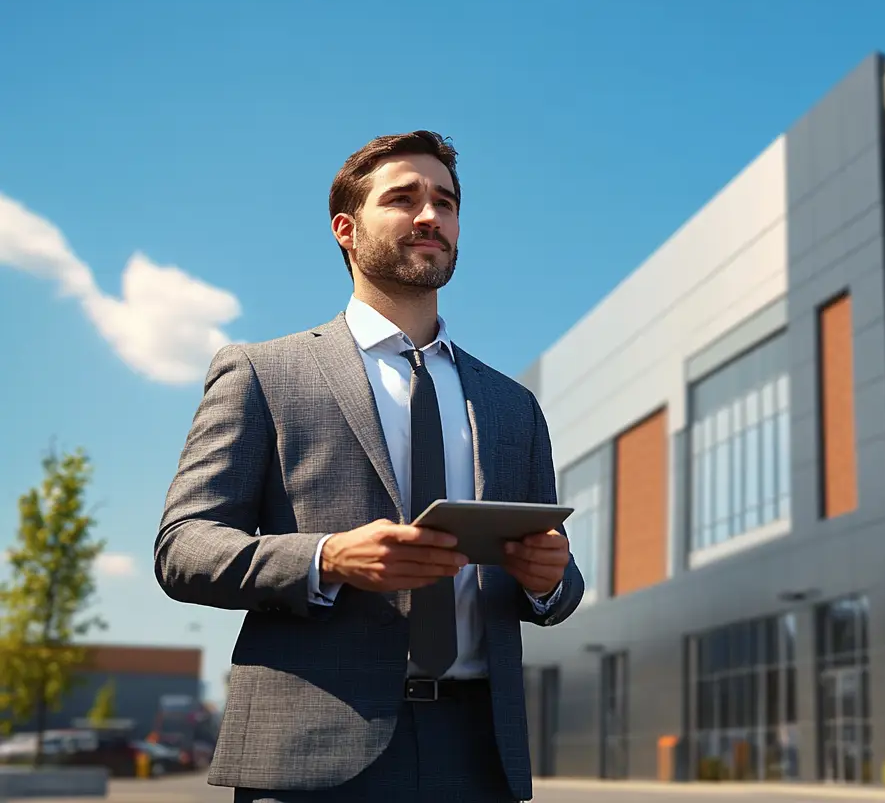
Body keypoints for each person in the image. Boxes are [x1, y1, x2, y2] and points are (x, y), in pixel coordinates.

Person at [154, 130, 584, 803]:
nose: (429, 216)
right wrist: (328, 559)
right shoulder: (264, 373)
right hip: (309, 753)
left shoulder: (512, 406)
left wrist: (547, 581)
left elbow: (558, 581)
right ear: (346, 230)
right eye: (403, 198)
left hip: (477, 756)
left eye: (445, 202)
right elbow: (183, 548)